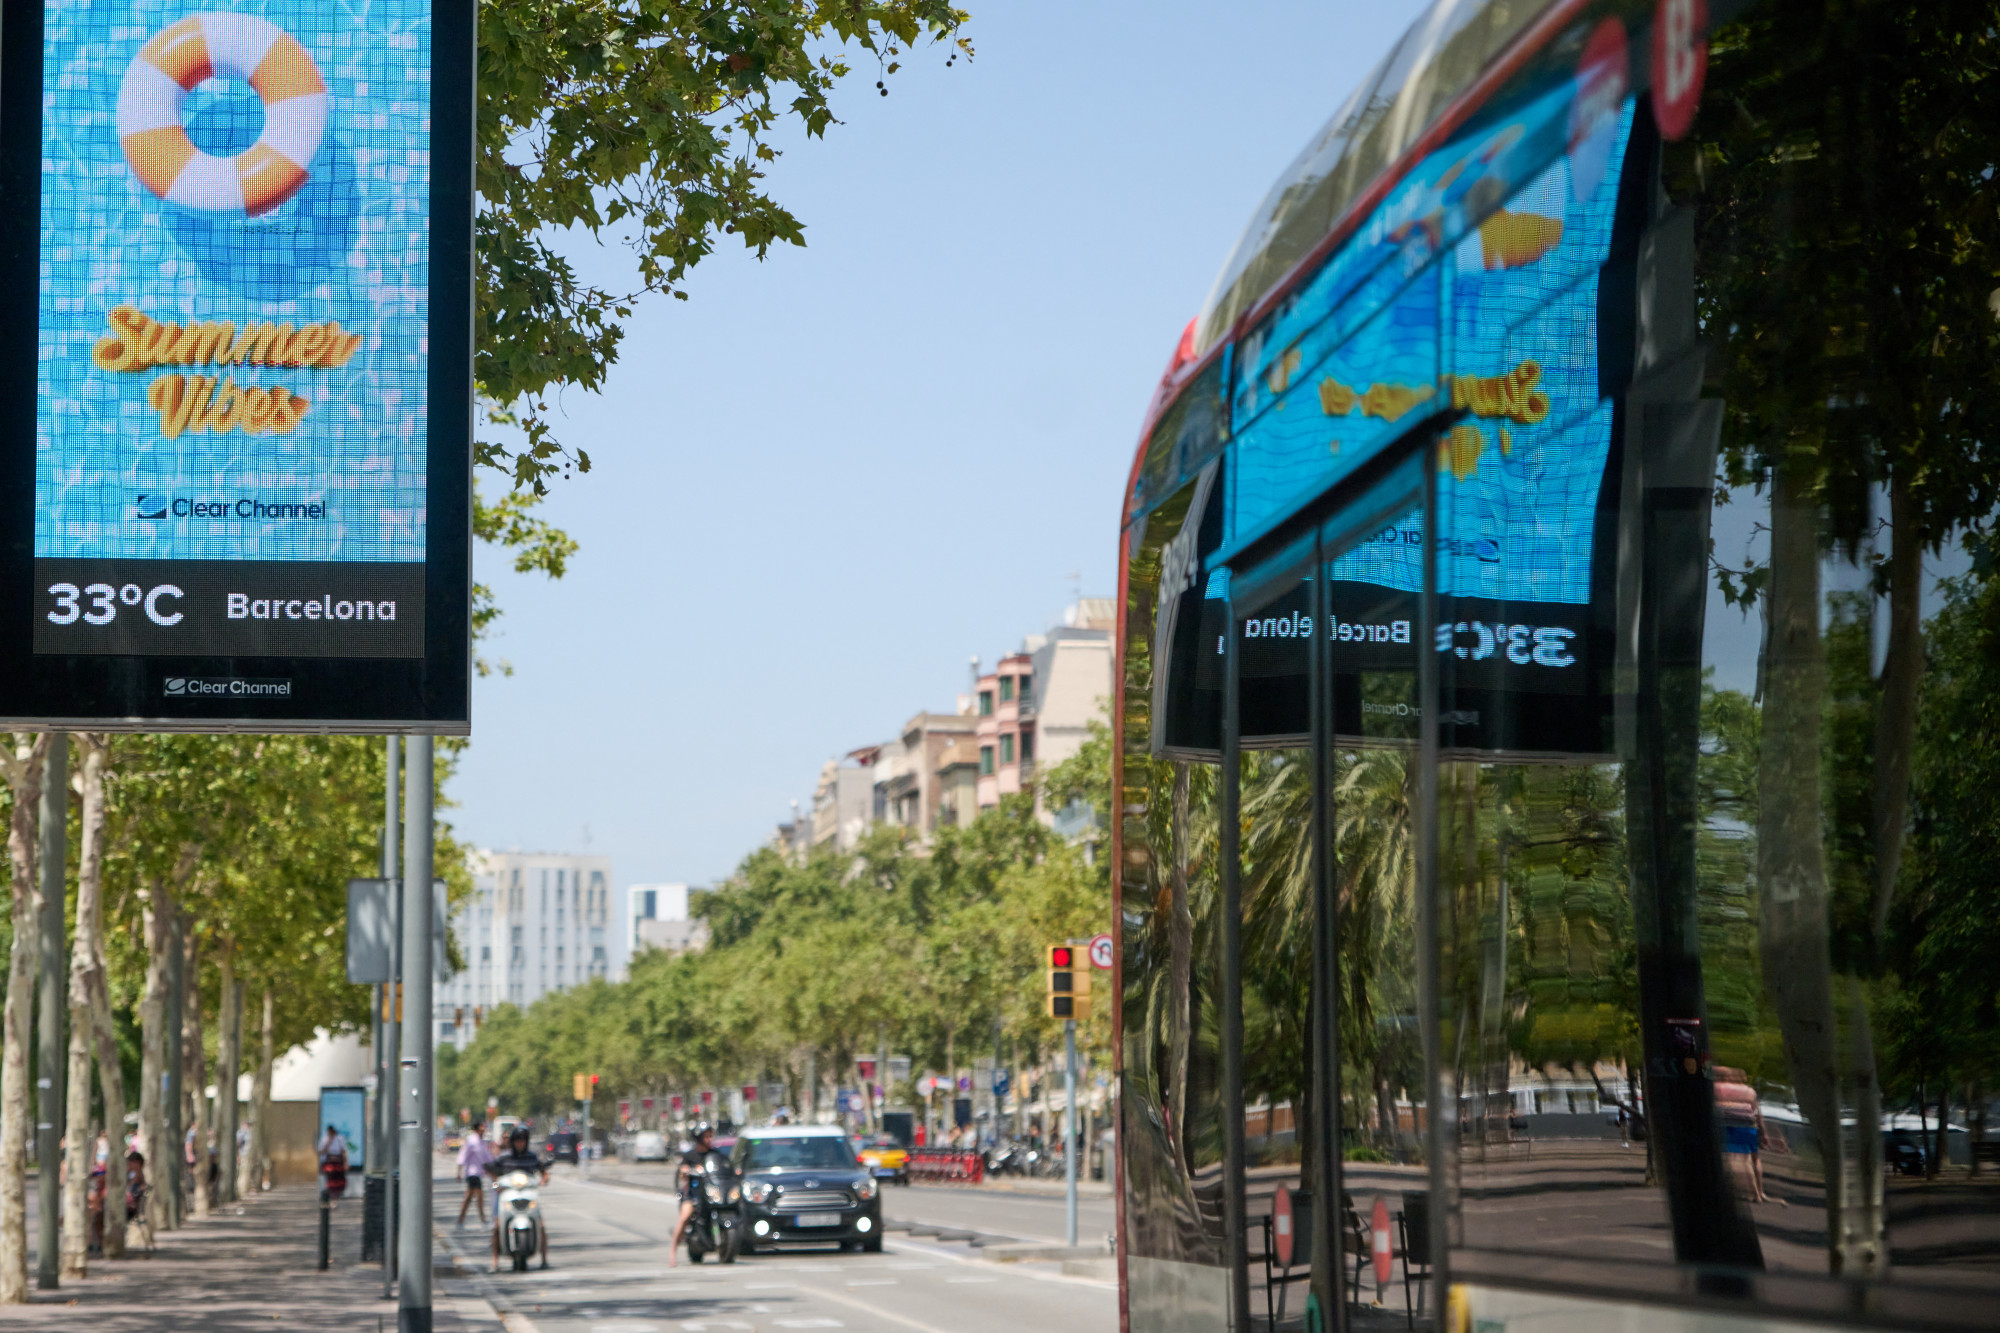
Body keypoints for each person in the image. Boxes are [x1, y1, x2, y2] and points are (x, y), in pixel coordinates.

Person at [486, 1125, 550, 1271]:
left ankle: (544, 1259)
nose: (520, 1143)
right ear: (513, 1142)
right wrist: (497, 1184)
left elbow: (543, 1171)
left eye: (523, 1140)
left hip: (528, 1197)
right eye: (517, 1140)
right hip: (508, 1197)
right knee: (497, 1226)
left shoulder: (532, 1157)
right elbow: (491, 1170)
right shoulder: (504, 1157)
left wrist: (544, 1179)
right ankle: (494, 1261)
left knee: (541, 1226)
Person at [666, 1122, 719, 1267]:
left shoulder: (715, 1155)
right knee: (684, 1218)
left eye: (711, 1136)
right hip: (694, 1195)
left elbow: (723, 1168)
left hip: (712, 1194)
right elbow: (683, 1172)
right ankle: (672, 1254)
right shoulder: (690, 1155)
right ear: (699, 1139)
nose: (709, 1139)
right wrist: (687, 1171)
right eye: (706, 1137)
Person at [1713, 1068, 1767, 1203]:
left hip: (1726, 1126)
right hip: (1748, 1128)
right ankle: (1759, 1192)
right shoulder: (1750, 1091)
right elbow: (1757, 1113)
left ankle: (1721, 1189)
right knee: (1752, 1159)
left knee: (1721, 1157)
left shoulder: (1717, 1087)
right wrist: (1763, 1132)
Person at [457, 1119, 496, 1227]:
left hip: (479, 1173)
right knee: (478, 1197)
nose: (483, 1130)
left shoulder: (482, 1142)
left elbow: (487, 1157)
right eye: (481, 1128)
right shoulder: (471, 1141)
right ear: (477, 1129)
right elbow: (463, 1155)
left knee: (469, 1198)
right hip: (472, 1173)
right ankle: (482, 1220)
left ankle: (461, 1221)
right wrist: (459, 1172)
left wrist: (494, 1166)